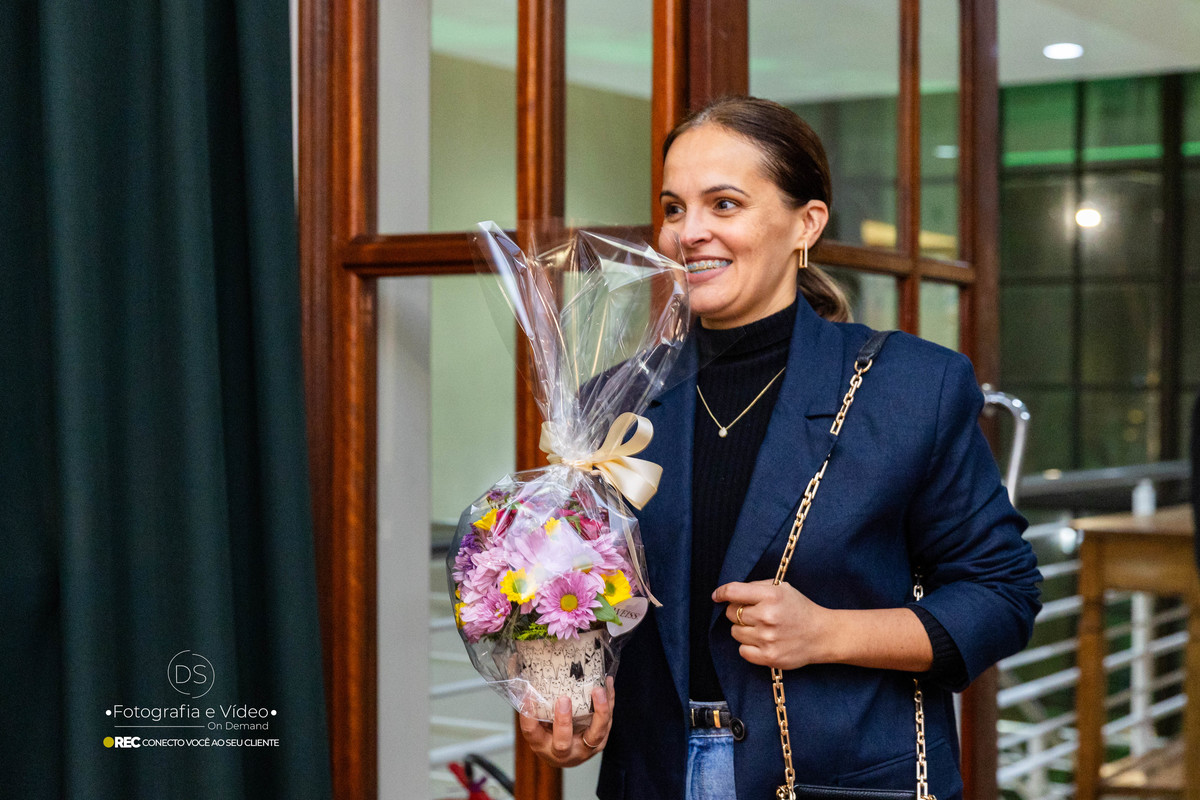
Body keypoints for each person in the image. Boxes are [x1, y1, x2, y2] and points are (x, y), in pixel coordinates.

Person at [518, 96, 1042, 800]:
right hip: (651, 777)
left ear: (807, 224)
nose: (688, 233)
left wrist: (828, 633)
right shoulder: (611, 401)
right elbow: (590, 605)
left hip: (839, 783)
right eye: (674, 209)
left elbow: (1003, 595)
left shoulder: (913, 386)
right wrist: (571, 699)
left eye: (724, 204)